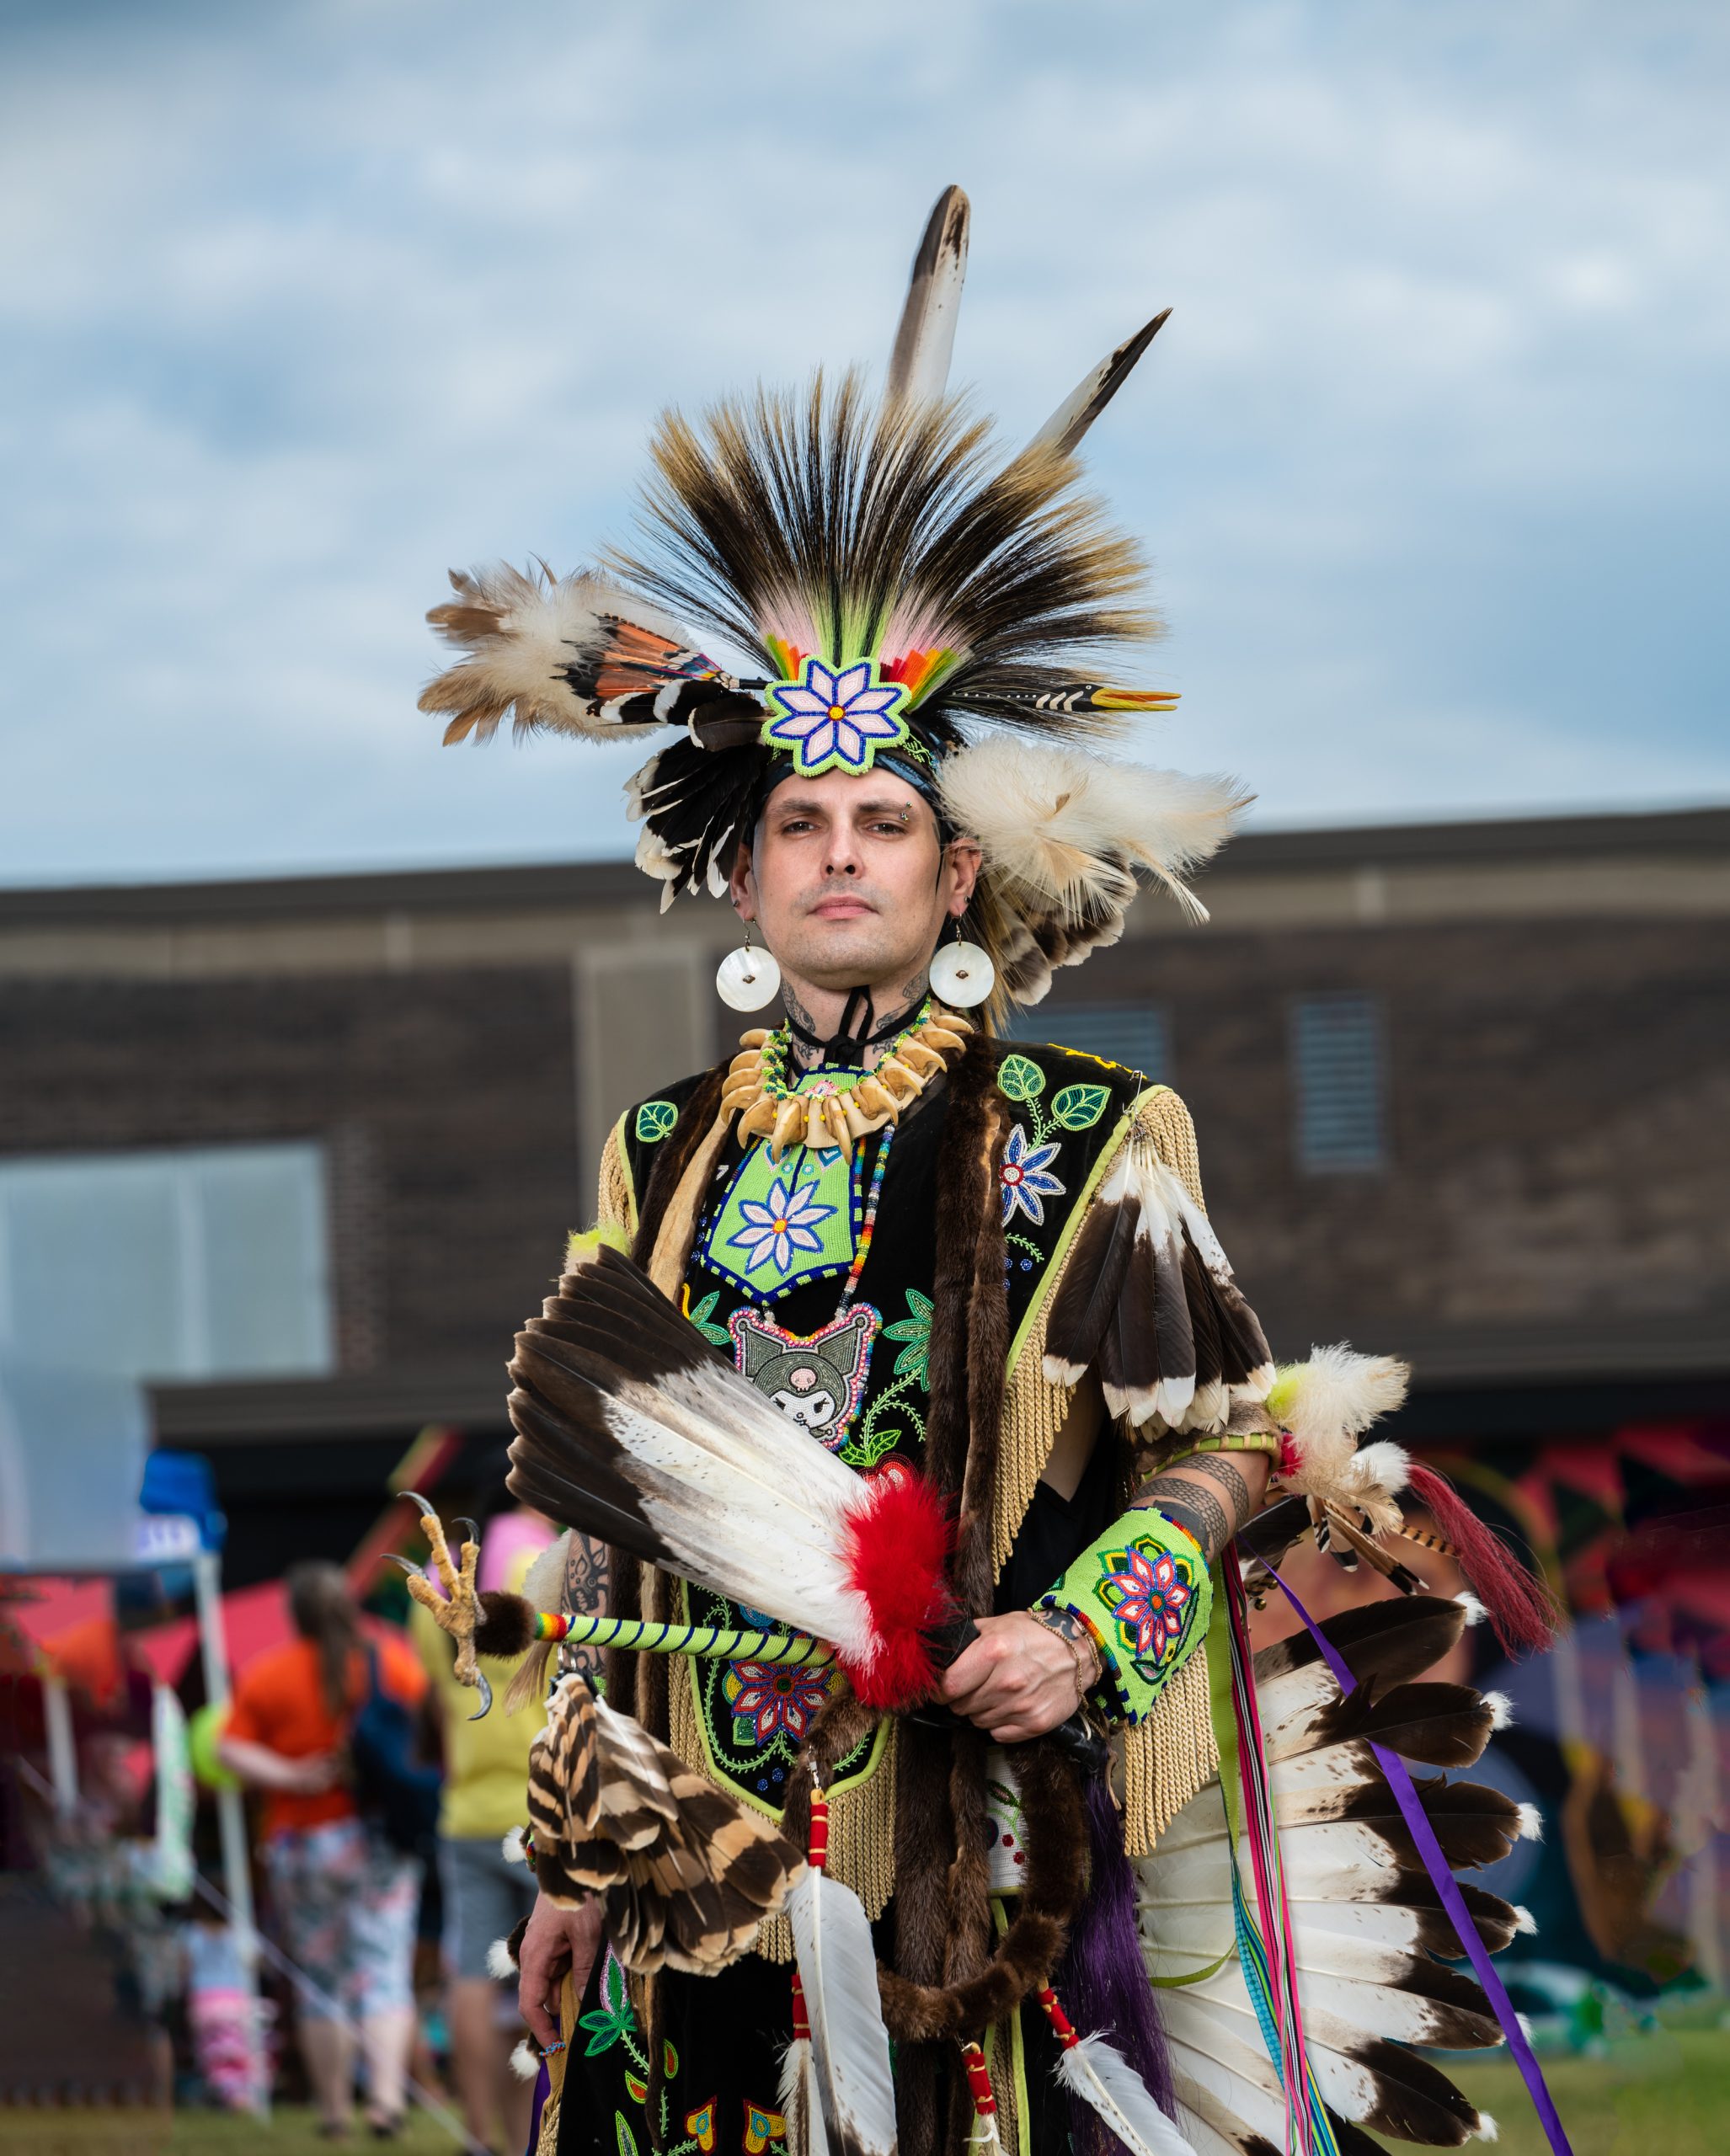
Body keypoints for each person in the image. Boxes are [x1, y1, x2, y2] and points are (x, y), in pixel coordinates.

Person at [416, 189, 1548, 2156]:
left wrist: (1085, 1628)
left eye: (884, 820)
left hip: (970, 1850)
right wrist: (572, 1850)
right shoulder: (662, 1146)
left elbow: (1229, 1442)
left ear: (960, 873)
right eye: (800, 820)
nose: (840, 853)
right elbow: (609, 1539)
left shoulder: (1093, 1135)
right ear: (745, 866)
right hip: (692, 1867)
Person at [219, 1561, 427, 2138]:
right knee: (384, 1973)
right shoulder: (391, 1660)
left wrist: (289, 1774)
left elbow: (229, 1750)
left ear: (295, 1614)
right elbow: (430, 1730)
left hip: (301, 1844)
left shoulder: (270, 1674)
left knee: (321, 1980)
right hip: (377, 1840)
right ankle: (385, 2102)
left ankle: (334, 2110)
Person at [408, 1503, 555, 2156]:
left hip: (465, 1811)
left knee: (470, 1973)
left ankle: (476, 2131)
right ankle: (545, 2125)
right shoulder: (537, 1569)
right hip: (538, 1811)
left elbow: (440, 1706)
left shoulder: (428, 1595)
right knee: (553, 1974)